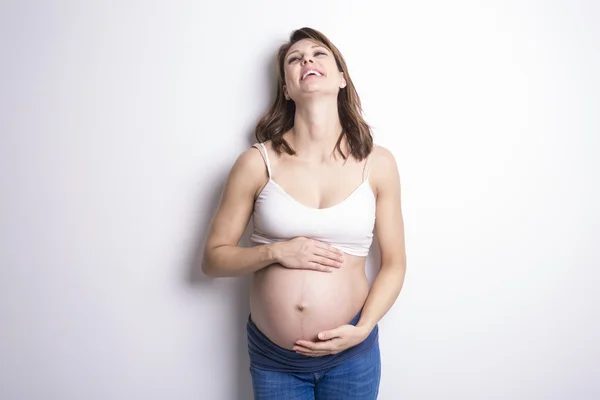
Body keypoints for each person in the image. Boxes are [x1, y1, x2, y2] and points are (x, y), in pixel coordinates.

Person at [202, 27, 407, 400]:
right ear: (286, 88)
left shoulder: (377, 164)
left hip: (352, 355)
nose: (306, 61)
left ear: (342, 78)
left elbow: (394, 264)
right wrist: (275, 251)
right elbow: (212, 260)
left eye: (318, 54)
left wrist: (365, 327)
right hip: (274, 359)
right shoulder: (256, 163)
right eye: (294, 59)